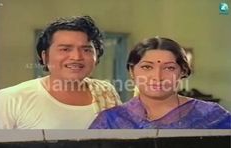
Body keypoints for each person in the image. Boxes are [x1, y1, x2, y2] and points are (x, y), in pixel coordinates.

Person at [0, 16, 121, 129]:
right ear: (45, 56)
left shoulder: (106, 92)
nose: (76, 57)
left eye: (86, 50)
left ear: (96, 57)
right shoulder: (12, 98)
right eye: (65, 49)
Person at [90, 37, 231, 129]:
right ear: (131, 72)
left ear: (182, 72)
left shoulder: (212, 116)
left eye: (169, 68)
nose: (157, 76)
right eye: (147, 67)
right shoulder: (110, 121)